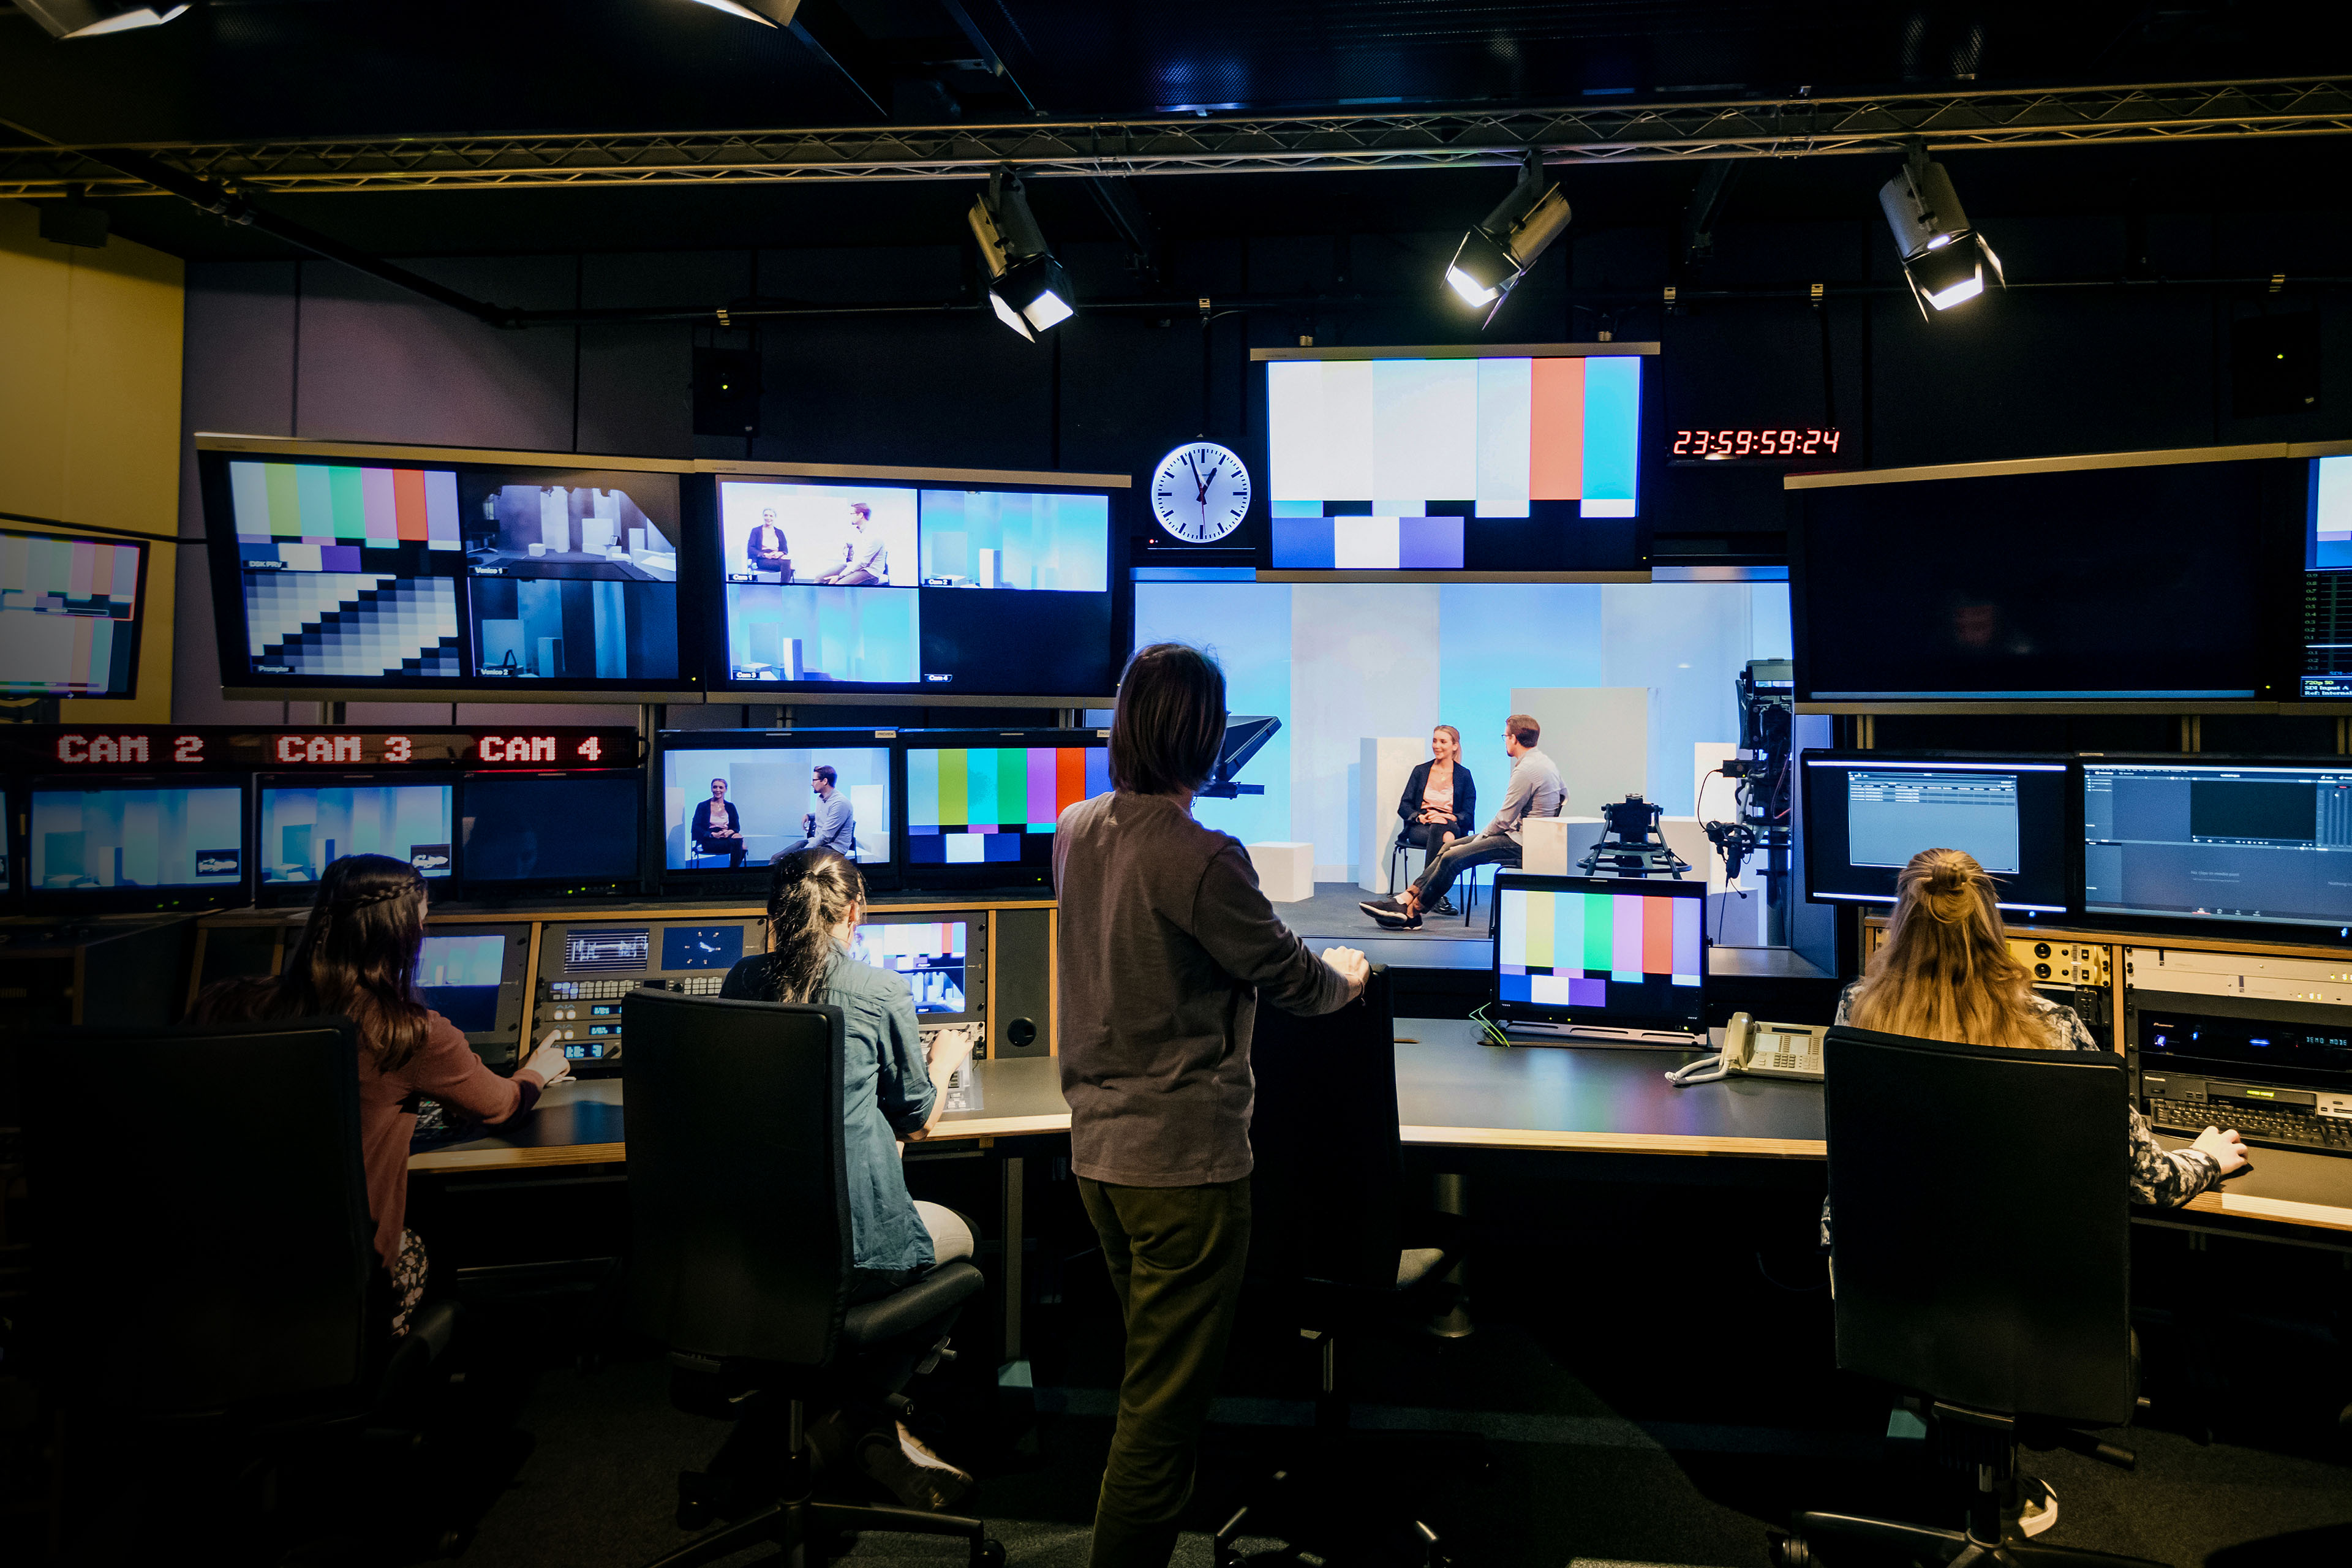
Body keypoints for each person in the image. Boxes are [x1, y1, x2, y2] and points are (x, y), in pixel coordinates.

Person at [1055, 641, 1371, 1568]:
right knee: (1158, 1417)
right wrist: (1345, 978)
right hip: (1181, 1172)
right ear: (1207, 736)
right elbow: (1290, 978)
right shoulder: (1202, 855)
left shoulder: (1076, 827)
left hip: (1099, 1165)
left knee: (1152, 1387)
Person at [1830, 846, 2247, 1538]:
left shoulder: (1855, 1013)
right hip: (2036, 1314)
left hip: (1887, 1301)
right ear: (1994, 928)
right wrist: (2205, 1157)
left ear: (1897, 927)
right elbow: (2150, 1181)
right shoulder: (2055, 1029)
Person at [192, 854, 568, 1337]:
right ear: (406, 935)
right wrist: (535, 1073)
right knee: (427, 1230)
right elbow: (501, 1107)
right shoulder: (407, 1033)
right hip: (344, 1280)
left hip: (216, 1272)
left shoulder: (226, 1003)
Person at [720, 848, 980, 1509]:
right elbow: (918, 1117)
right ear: (855, 911)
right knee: (967, 1242)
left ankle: (834, 1414)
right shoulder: (879, 989)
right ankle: (860, 1412)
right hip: (852, 1248)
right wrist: (945, 1061)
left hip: (756, 1247)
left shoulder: (741, 980)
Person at [1361, 713, 1562, 929]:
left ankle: (1413, 911)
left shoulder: (1526, 770)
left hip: (1521, 842)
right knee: (1449, 847)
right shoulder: (1544, 763)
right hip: (1521, 835)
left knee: (1453, 858)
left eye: (1505, 736)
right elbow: (1563, 797)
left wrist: (1481, 838)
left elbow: (1504, 819)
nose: (1505, 740)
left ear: (1514, 739)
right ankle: (1405, 898)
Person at [1391, 723, 1477, 916]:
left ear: (1455, 746)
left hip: (1451, 825)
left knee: (1444, 830)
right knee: (1446, 839)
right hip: (1422, 828)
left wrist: (1449, 816)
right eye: (1435, 740)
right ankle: (1435, 894)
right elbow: (1404, 806)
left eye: (1443, 741)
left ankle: (1422, 891)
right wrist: (1420, 817)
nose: (1437, 745)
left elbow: (1468, 814)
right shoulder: (1420, 771)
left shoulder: (1464, 775)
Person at [781, 764, 854, 856]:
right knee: (777, 857)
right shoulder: (820, 798)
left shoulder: (840, 803)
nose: (812, 784)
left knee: (794, 860)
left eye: (814, 780)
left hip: (834, 848)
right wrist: (809, 815)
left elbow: (826, 836)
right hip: (820, 843)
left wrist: (804, 851)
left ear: (825, 781)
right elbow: (826, 813)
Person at [816, 501, 889, 586]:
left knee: (839, 585)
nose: (849, 517)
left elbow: (862, 563)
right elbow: (861, 544)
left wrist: (840, 576)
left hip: (869, 572)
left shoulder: (874, 536)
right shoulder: (860, 531)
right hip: (856, 566)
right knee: (820, 578)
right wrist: (848, 545)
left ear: (861, 515)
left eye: (851, 514)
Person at [690, 777, 746, 868]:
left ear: (726, 790)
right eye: (715, 787)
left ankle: (732, 870)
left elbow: (736, 827)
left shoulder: (730, 806)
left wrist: (730, 831)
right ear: (711, 789)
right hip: (710, 839)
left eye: (721, 788)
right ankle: (733, 872)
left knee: (739, 840)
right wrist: (712, 834)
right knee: (740, 845)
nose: (717, 790)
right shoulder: (702, 806)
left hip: (727, 836)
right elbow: (696, 827)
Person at [747, 506, 792, 579]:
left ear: (775, 518)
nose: (768, 518)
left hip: (777, 557)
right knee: (789, 566)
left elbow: (785, 550)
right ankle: (784, 586)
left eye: (771, 516)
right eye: (766, 515)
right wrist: (765, 555)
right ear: (763, 517)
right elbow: (750, 549)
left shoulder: (779, 532)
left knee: (787, 561)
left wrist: (779, 554)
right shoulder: (756, 531)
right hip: (763, 559)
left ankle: (784, 585)